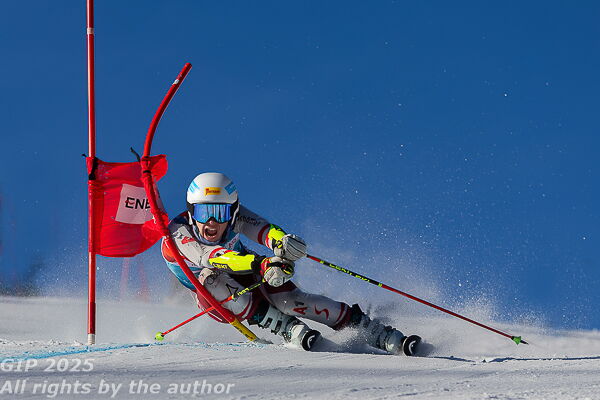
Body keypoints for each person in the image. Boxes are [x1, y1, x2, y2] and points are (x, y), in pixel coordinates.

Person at [162, 172, 421, 355]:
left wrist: (283, 243)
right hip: (216, 299)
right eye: (203, 212)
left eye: (220, 212)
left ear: (232, 211)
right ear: (191, 212)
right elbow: (214, 257)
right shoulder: (178, 234)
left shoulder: (235, 217)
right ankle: (284, 326)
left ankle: (374, 331)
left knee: (290, 300)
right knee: (210, 277)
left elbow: (264, 230)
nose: (212, 222)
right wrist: (262, 264)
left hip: (246, 272)